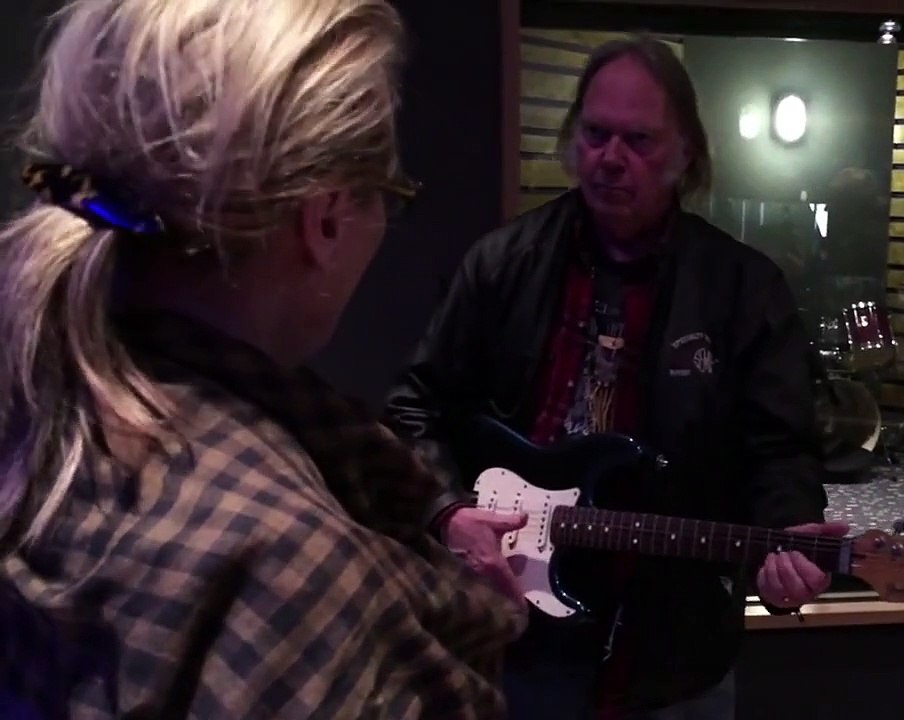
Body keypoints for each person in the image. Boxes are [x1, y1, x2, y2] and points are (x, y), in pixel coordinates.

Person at [0, 0, 526, 717]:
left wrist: (436, 512)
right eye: (391, 199)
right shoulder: (302, 581)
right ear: (329, 217)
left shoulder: (34, 406)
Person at [383, 36, 846, 719]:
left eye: (639, 140)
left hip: (672, 659)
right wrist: (447, 512)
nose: (612, 158)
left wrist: (786, 536)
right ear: (573, 140)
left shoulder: (744, 289)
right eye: (597, 134)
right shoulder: (502, 263)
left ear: (685, 152)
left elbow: (778, 448)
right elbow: (412, 409)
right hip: (512, 643)